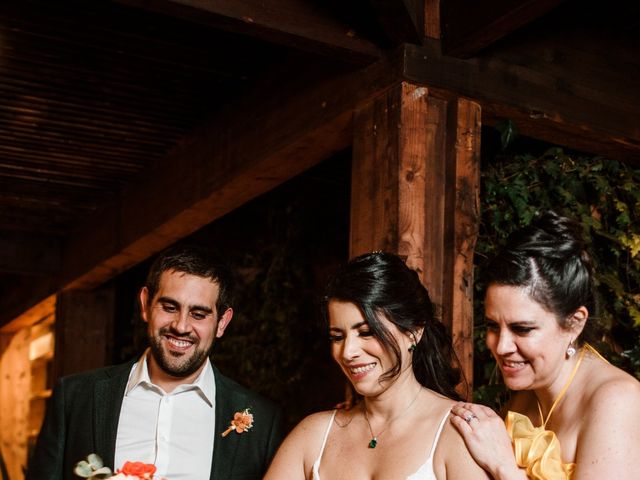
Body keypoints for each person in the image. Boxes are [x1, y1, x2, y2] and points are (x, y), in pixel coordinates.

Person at [26, 244, 284, 480]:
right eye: (169, 307)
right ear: (145, 304)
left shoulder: (262, 420)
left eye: (198, 314)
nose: (181, 326)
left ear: (222, 323)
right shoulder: (74, 397)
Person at [264, 252, 490, 480]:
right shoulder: (313, 436)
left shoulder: (458, 433)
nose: (347, 352)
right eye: (337, 337)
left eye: (366, 332)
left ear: (414, 331)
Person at [450, 211, 640, 479]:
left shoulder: (618, 399)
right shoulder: (523, 400)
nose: (501, 346)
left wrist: (504, 467)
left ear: (574, 324)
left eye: (522, 329)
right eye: (493, 326)